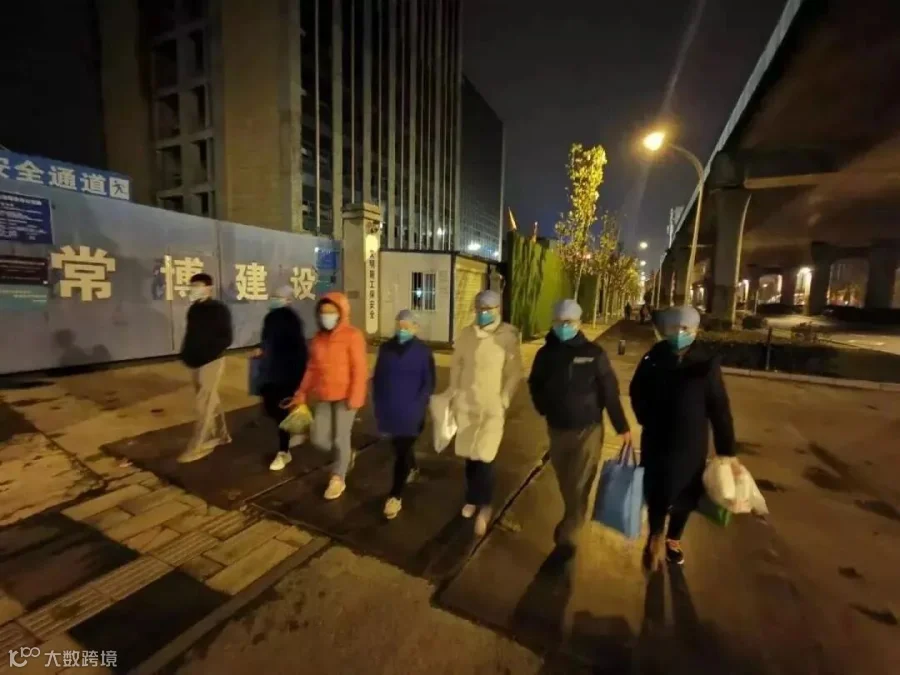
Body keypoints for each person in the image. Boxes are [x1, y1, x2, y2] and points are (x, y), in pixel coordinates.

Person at [629, 305, 736, 571]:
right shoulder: (654, 357)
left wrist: (726, 449)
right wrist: (645, 417)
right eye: (674, 327)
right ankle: (655, 534)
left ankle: (673, 539)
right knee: (657, 489)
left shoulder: (706, 364)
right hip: (656, 438)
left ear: (695, 330)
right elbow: (636, 390)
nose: (679, 333)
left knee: (686, 494)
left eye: (685, 328)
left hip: (690, 443)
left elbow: (719, 407)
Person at [529, 299, 631, 558]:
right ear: (553, 323)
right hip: (557, 429)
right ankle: (572, 515)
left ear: (579, 323)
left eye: (569, 322)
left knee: (580, 483)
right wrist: (543, 407)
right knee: (566, 481)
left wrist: (622, 426)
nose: (564, 326)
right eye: (559, 322)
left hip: (588, 430)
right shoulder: (545, 354)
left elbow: (610, 392)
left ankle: (569, 533)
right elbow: (535, 384)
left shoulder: (593, 354)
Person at [450, 289, 524, 536]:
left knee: (485, 457)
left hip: (491, 407)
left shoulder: (507, 336)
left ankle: (486, 504)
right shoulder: (466, 334)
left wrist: (504, 398)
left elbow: (515, 371)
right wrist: (454, 392)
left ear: (497, 310)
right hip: (467, 404)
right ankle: (472, 498)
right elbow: (457, 365)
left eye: (487, 309)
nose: (483, 313)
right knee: (470, 456)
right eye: (479, 309)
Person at [291, 291, 368, 500]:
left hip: (346, 397)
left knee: (341, 437)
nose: (327, 316)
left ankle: (338, 478)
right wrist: (302, 392)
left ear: (342, 313)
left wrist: (356, 396)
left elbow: (360, 368)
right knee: (319, 439)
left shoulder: (353, 335)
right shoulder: (318, 338)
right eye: (323, 312)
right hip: (325, 395)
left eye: (332, 312)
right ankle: (347, 455)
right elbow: (312, 368)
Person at [372, 310, 436, 520]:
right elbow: (378, 379)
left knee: (401, 452)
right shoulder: (386, 349)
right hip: (390, 411)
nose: (403, 330)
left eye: (407, 326)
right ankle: (413, 466)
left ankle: (395, 495)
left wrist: (418, 405)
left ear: (416, 328)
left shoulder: (423, 352)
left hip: (412, 412)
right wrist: (379, 405)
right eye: (400, 325)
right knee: (400, 447)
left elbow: (429, 382)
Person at [178, 273, 233, 463]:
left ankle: (197, 446)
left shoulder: (218, 309)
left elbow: (227, 337)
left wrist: (209, 353)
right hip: (195, 361)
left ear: (209, 288)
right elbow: (190, 334)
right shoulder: (194, 309)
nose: (194, 289)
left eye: (198, 285)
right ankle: (222, 435)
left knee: (204, 404)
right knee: (211, 399)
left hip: (211, 361)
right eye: (192, 285)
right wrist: (186, 354)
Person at [256, 285, 308, 472]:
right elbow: (267, 340)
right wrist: (260, 349)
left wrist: (298, 379)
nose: (274, 299)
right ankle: (296, 431)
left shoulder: (291, 320)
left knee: (280, 411)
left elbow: (298, 349)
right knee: (271, 408)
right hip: (270, 371)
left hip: (285, 373)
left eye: (278, 296)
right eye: (274, 295)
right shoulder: (270, 317)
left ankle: (284, 451)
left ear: (288, 300)